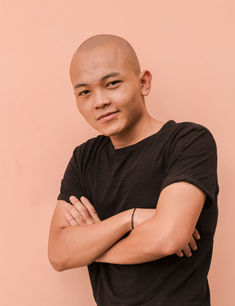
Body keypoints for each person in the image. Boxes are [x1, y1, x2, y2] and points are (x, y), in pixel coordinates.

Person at [48, 34, 219, 306]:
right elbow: (58, 254)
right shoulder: (84, 159)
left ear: (144, 82)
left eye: (112, 83)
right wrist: (130, 218)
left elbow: (168, 237)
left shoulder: (188, 141)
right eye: (85, 92)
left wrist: (91, 246)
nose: (99, 101)